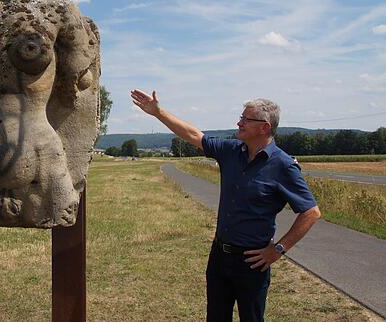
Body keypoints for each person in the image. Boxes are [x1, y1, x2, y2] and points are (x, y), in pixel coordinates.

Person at [130, 90, 321, 322]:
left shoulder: (283, 165)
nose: (238, 123)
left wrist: (278, 249)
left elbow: (310, 212)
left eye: (245, 119)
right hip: (220, 256)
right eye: (241, 117)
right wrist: (158, 112)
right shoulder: (231, 151)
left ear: (265, 127)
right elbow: (193, 134)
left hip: (252, 262)